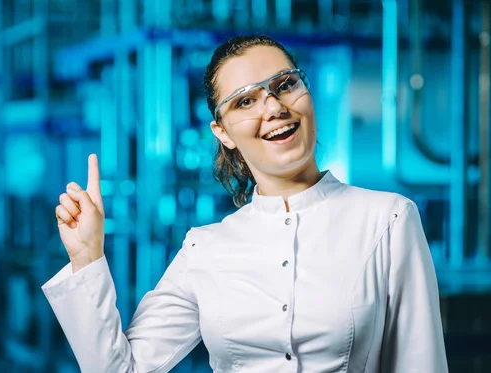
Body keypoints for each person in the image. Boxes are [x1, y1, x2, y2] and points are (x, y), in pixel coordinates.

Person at [42, 35, 448, 372]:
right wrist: (86, 258)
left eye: (285, 84)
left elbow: (421, 363)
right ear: (223, 133)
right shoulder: (206, 248)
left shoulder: (388, 219)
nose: (274, 108)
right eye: (244, 101)